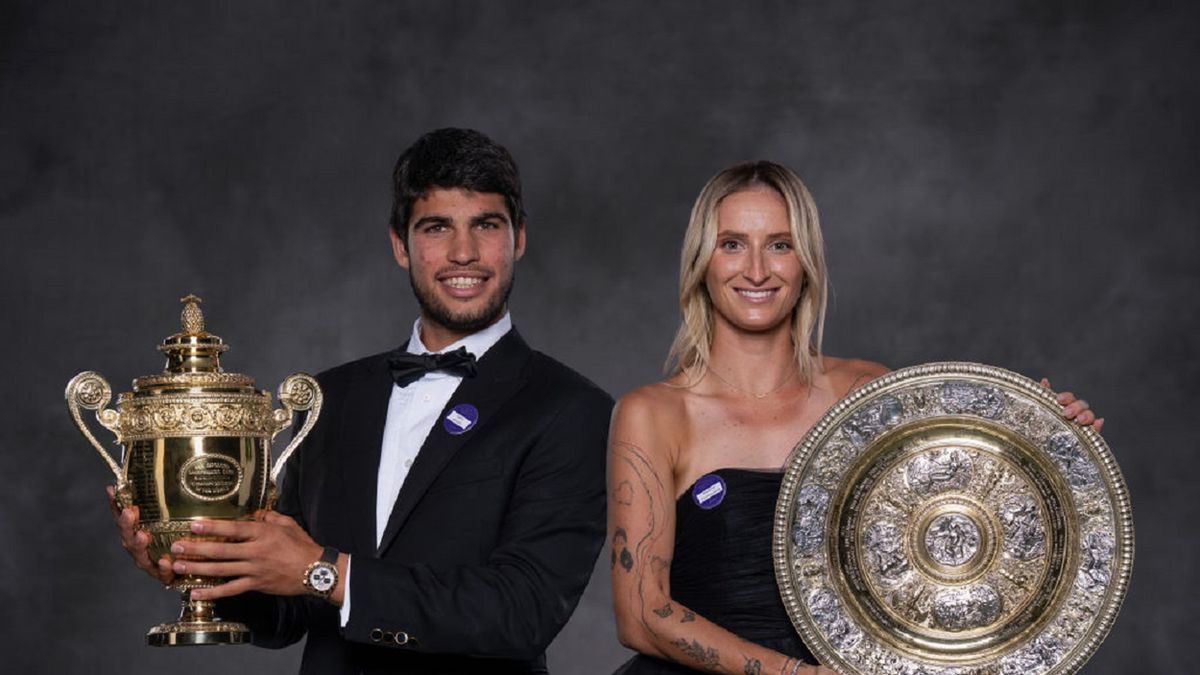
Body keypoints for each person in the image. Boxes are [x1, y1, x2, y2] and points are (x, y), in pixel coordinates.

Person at [110, 127, 613, 674]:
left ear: (518, 239)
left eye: (486, 225)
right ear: (400, 245)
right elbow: (287, 612)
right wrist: (199, 565)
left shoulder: (571, 409)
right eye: (436, 227)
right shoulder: (330, 398)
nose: (464, 253)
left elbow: (522, 613)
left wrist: (324, 571)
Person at [606, 161, 1102, 675]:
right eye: (732, 244)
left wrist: (1047, 440)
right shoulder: (654, 415)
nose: (756, 270)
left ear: (806, 262)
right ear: (701, 261)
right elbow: (641, 615)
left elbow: (967, 523)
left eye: (780, 245)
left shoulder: (866, 393)